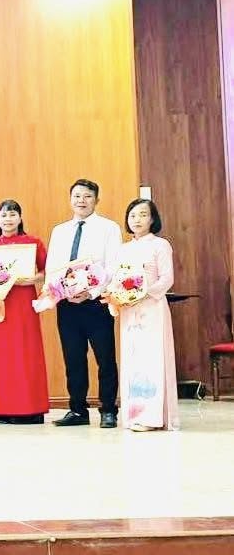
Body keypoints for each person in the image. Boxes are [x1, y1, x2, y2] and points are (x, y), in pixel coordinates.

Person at [46, 179, 123, 429]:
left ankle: (108, 409)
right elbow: (52, 266)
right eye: (77, 196)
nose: (82, 200)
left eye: (87, 196)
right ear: (70, 199)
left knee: (105, 358)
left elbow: (113, 266)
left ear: (96, 200)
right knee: (73, 359)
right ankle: (77, 410)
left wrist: (91, 292)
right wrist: (58, 292)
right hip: (67, 304)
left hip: (96, 302)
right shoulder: (59, 231)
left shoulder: (109, 228)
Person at [113, 199, 179, 431]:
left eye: (142, 215)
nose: (137, 220)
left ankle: (153, 417)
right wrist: (117, 296)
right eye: (132, 215)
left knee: (152, 359)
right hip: (129, 309)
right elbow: (117, 278)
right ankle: (134, 415)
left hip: (152, 307)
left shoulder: (160, 245)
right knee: (132, 359)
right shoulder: (123, 249)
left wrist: (143, 293)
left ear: (152, 219)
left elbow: (167, 278)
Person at [0, 200, 50, 425]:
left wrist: (32, 279)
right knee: (2, 356)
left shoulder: (33, 243)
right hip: (1, 304)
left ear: (20, 218)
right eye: (3, 215)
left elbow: (47, 271)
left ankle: (31, 408)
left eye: (13, 214)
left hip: (24, 304)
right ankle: (3, 408)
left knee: (27, 352)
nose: (8, 219)